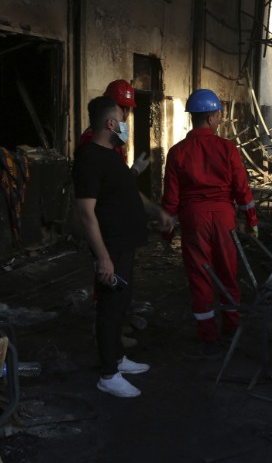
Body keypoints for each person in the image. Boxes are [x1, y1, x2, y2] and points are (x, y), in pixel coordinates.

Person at [73, 96, 173, 397]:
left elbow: (131, 194)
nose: (126, 126)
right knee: (109, 307)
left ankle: (117, 357)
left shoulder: (113, 155)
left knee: (121, 304)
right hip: (111, 246)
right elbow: (86, 213)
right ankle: (107, 374)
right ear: (110, 123)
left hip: (124, 244)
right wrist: (102, 257)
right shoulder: (89, 158)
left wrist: (158, 212)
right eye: (122, 119)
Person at [162, 89, 258, 356]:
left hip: (194, 219)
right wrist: (252, 220)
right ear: (214, 116)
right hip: (224, 217)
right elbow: (242, 189)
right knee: (228, 271)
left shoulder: (177, 152)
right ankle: (231, 325)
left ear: (192, 117)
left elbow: (171, 197)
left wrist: (167, 231)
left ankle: (207, 334)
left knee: (200, 274)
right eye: (219, 116)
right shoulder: (227, 149)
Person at [77, 79, 149, 178]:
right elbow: (108, 182)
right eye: (121, 107)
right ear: (108, 106)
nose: (125, 114)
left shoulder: (113, 139)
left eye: (127, 108)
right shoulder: (93, 139)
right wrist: (132, 172)